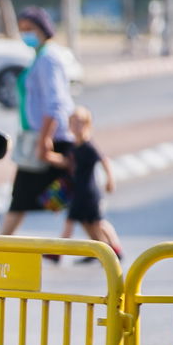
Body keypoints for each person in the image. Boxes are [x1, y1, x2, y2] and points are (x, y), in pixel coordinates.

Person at [0, 5, 74, 238]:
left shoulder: (49, 59)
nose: (26, 35)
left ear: (43, 29)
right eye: (22, 30)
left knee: (23, 198)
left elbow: (56, 103)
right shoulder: (39, 56)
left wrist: (45, 140)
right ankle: (106, 247)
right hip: (38, 137)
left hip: (49, 140)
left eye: (29, 29)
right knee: (72, 200)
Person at [59, 106, 124, 262]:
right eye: (73, 123)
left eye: (80, 123)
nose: (76, 127)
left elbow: (104, 160)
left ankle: (115, 248)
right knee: (87, 223)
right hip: (78, 191)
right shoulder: (75, 146)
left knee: (97, 222)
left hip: (89, 192)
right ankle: (99, 250)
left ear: (87, 125)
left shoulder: (88, 146)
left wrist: (110, 180)